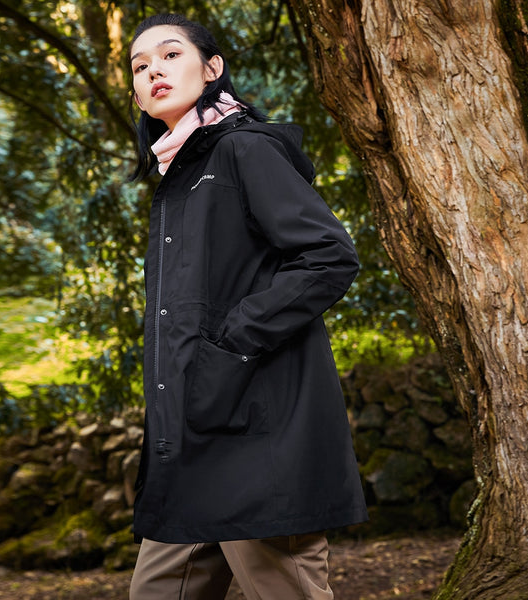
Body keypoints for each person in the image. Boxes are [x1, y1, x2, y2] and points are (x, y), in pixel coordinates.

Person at [127, 13, 368, 599]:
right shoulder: (179, 177)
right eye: (139, 66)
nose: (154, 69)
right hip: (192, 441)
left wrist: (232, 343)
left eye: (170, 55)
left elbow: (328, 257)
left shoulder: (242, 150)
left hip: (258, 438)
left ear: (213, 69)